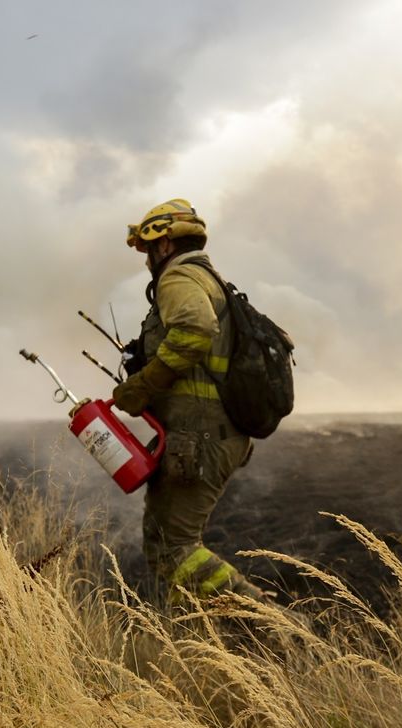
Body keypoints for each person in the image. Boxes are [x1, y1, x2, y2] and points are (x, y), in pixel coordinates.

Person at [112, 199, 268, 604]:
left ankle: (276, 632)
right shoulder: (210, 279)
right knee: (172, 548)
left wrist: (143, 386)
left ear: (164, 244)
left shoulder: (178, 278)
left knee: (172, 548)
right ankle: (212, 640)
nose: (147, 260)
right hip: (213, 433)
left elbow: (195, 329)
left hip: (198, 436)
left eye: (148, 250)